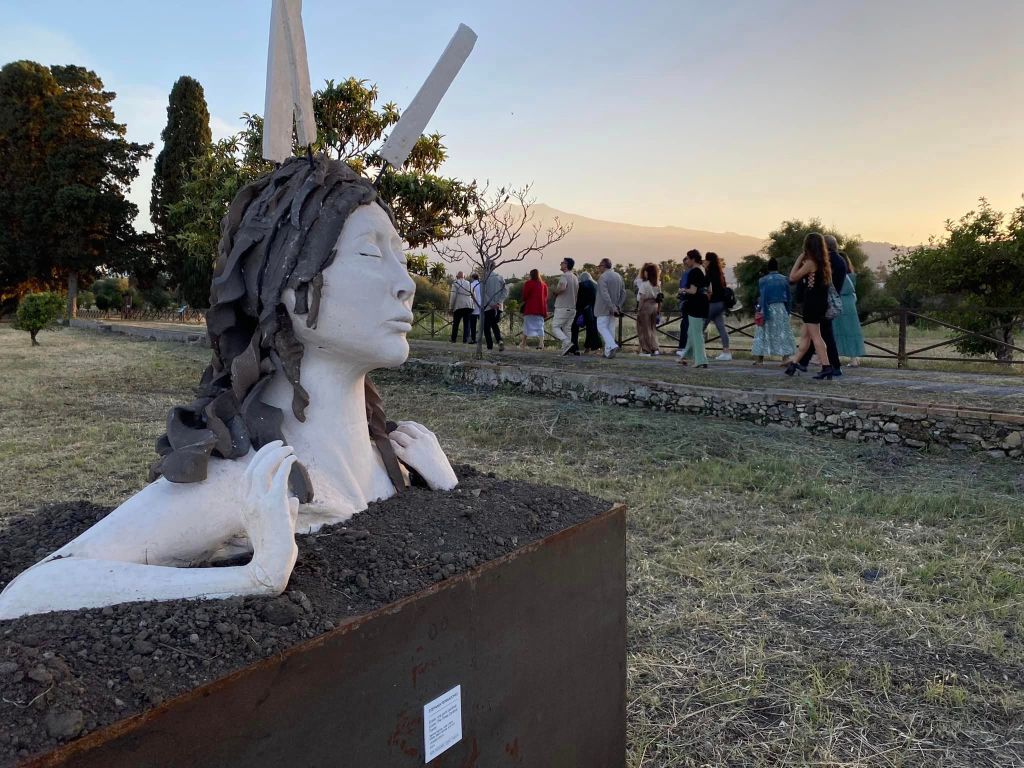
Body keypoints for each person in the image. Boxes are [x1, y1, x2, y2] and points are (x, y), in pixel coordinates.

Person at [0, 155, 460, 619]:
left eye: (402, 259)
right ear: (286, 282)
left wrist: (448, 491)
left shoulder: (400, 462)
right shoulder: (247, 483)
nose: (405, 284)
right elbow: (33, 590)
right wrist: (248, 579)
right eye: (370, 254)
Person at [794, 234, 847, 376]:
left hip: (820, 300)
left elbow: (796, 278)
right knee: (817, 333)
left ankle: (832, 366)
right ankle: (803, 362)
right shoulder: (841, 261)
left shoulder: (824, 261)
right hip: (830, 300)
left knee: (823, 335)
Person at [785, 233, 835, 380]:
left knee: (816, 336)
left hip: (812, 303)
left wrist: (799, 259)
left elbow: (793, 277)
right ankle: (794, 364)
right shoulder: (823, 263)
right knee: (805, 336)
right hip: (819, 302)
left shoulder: (810, 263)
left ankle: (826, 367)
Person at [751, 258, 796, 365]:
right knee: (783, 332)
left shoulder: (763, 280)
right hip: (781, 308)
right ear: (777, 267)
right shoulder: (784, 279)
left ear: (768, 268)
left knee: (762, 332)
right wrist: (788, 310)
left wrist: (759, 310)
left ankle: (759, 360)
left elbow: (762, 296)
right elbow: (789, 297)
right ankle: (785, 358)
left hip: (767, 307)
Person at [678, 251, 708, 368]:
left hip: (695, 304)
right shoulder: (703, 270)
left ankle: (701, 360)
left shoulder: (694, 272)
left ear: (693, 259)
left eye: (688, 258)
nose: (686, 261)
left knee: (696, 334)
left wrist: (683, 290)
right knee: (691, 332)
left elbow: (693, 291)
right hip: (702, 303)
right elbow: (709, 288)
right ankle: (684, 356)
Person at [833, 254, 865, 365]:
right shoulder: (851, 276)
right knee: (851, 330)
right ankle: (854, 359)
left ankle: (833, 357)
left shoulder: (836, 274)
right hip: (850, 303)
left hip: (838, 302)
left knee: (835, 330)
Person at [594, 258, 626, 358]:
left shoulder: (603, 277)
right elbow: (623, 292)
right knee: (610, 328)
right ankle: (608, 352)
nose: (599, 268)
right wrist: (618, 305)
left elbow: (604, 294)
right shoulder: (618, 276)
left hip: (603, 307)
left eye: (600, 266)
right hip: (615, 307)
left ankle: (612, 346)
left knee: (601, 327)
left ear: (604, 266)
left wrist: (611, 306)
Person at [703, 252, 732, 361]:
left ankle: (696, 351)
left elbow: (706, 286)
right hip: (721, 304)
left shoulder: (709, 273)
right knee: (721, 328)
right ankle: (726, 352)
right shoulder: (720, 274)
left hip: (713, 303)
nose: (704, 261)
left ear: (709, 261)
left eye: (706, 259)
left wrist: (704, 269)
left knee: (700, 327)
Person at [551, 257, 579, 355]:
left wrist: (555, 292)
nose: (560, 264)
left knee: (555, 327)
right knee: (567, 329)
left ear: (566, 265)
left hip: (562, 306)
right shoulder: (575, 277)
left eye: (562, 263)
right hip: (572, 307)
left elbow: (563, 287)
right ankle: (565, 349)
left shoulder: (564, 276)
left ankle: (566, 343)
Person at [571, 271, 601, 355]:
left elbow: (579, 300)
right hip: (594, 311)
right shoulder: (596, 285)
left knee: (574, 328)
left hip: (582, 310)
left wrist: (577, 308)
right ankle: (593, 347)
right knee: (592, 329)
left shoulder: (582, 285)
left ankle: (574, 347)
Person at [675, 250, 698, 357]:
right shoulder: (697, 272)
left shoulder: (688, 274)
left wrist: (682, 291)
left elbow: (685, 288)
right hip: (692, 302)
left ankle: (683, 347)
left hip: (687, 301)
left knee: (685, 325)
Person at [636, 262, 662, 355]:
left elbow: (642, 298)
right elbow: (660, 298)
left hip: (645, 307)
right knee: (652, 328)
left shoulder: (645, 284)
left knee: (643, 329)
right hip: (654, 306)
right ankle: (655, 348)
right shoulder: (657, 284)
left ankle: (646, 349)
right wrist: (658, 309)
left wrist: (639, 309)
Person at [520, 269, 549, 350]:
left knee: (527, 325)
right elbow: (546, 297)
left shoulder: (528, 283)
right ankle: (541, 343)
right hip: (540, 308)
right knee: (540, 326)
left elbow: (525, 296)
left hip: (530, 307)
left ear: (531, 275)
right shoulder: (544, 285)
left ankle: (523, 343)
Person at [481, 268, 508, 351]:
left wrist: (491, 303)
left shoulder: (484, 279)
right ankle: (499, 340)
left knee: (486, 327)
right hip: (498, 306)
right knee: (494, 324)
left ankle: (489, 346)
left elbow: (483, 292)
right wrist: (499, 302)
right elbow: (505, 291)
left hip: (488, 306)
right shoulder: (500, 277)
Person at [448, 270, 474, 343]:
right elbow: (473, 294)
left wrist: (451, 307)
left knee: (456, 323)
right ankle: (465, 339)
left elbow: (453, 296)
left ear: (457, 276)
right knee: (467, 323)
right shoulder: (469, 284)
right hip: (469, 305)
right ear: (464, 277)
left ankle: (453, 339)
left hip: (458, 306)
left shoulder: (455, 283)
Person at [469, 273, 481, 343]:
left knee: (473, 325)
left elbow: (471, 296)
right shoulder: (481, 285)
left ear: (472, 278)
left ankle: (473, 339)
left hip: (473, 306)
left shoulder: (471, 285)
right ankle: (481, 338)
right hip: (481, 306)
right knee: (482, 324)